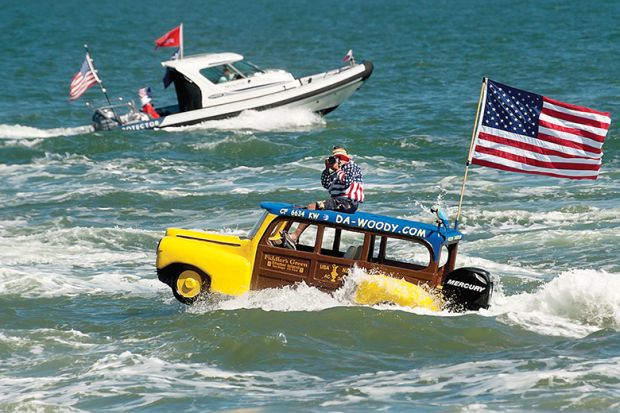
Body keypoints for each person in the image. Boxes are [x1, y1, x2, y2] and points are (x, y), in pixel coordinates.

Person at [278, 146, 365, 249]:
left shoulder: (351, 166)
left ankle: (294, 237)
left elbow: (346, 181)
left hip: (348, 202)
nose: (337, 160)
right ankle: (290, 237)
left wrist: (337, 169)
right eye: (335, 158)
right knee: (304, 209)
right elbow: (326, 184)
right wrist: (327, 169)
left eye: (339, 158)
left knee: (312, 207)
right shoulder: (338, 170)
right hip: (338, 201)